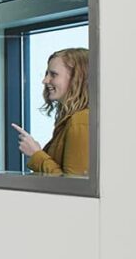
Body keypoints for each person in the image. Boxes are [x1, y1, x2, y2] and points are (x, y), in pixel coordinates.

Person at [12, 48, 90, 176]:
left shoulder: (81, 121)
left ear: (77, 78)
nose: (45, 80)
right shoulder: (74, 119)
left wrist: (36, 154)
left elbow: (74, 187)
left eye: (53, 74)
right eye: (46, 74)